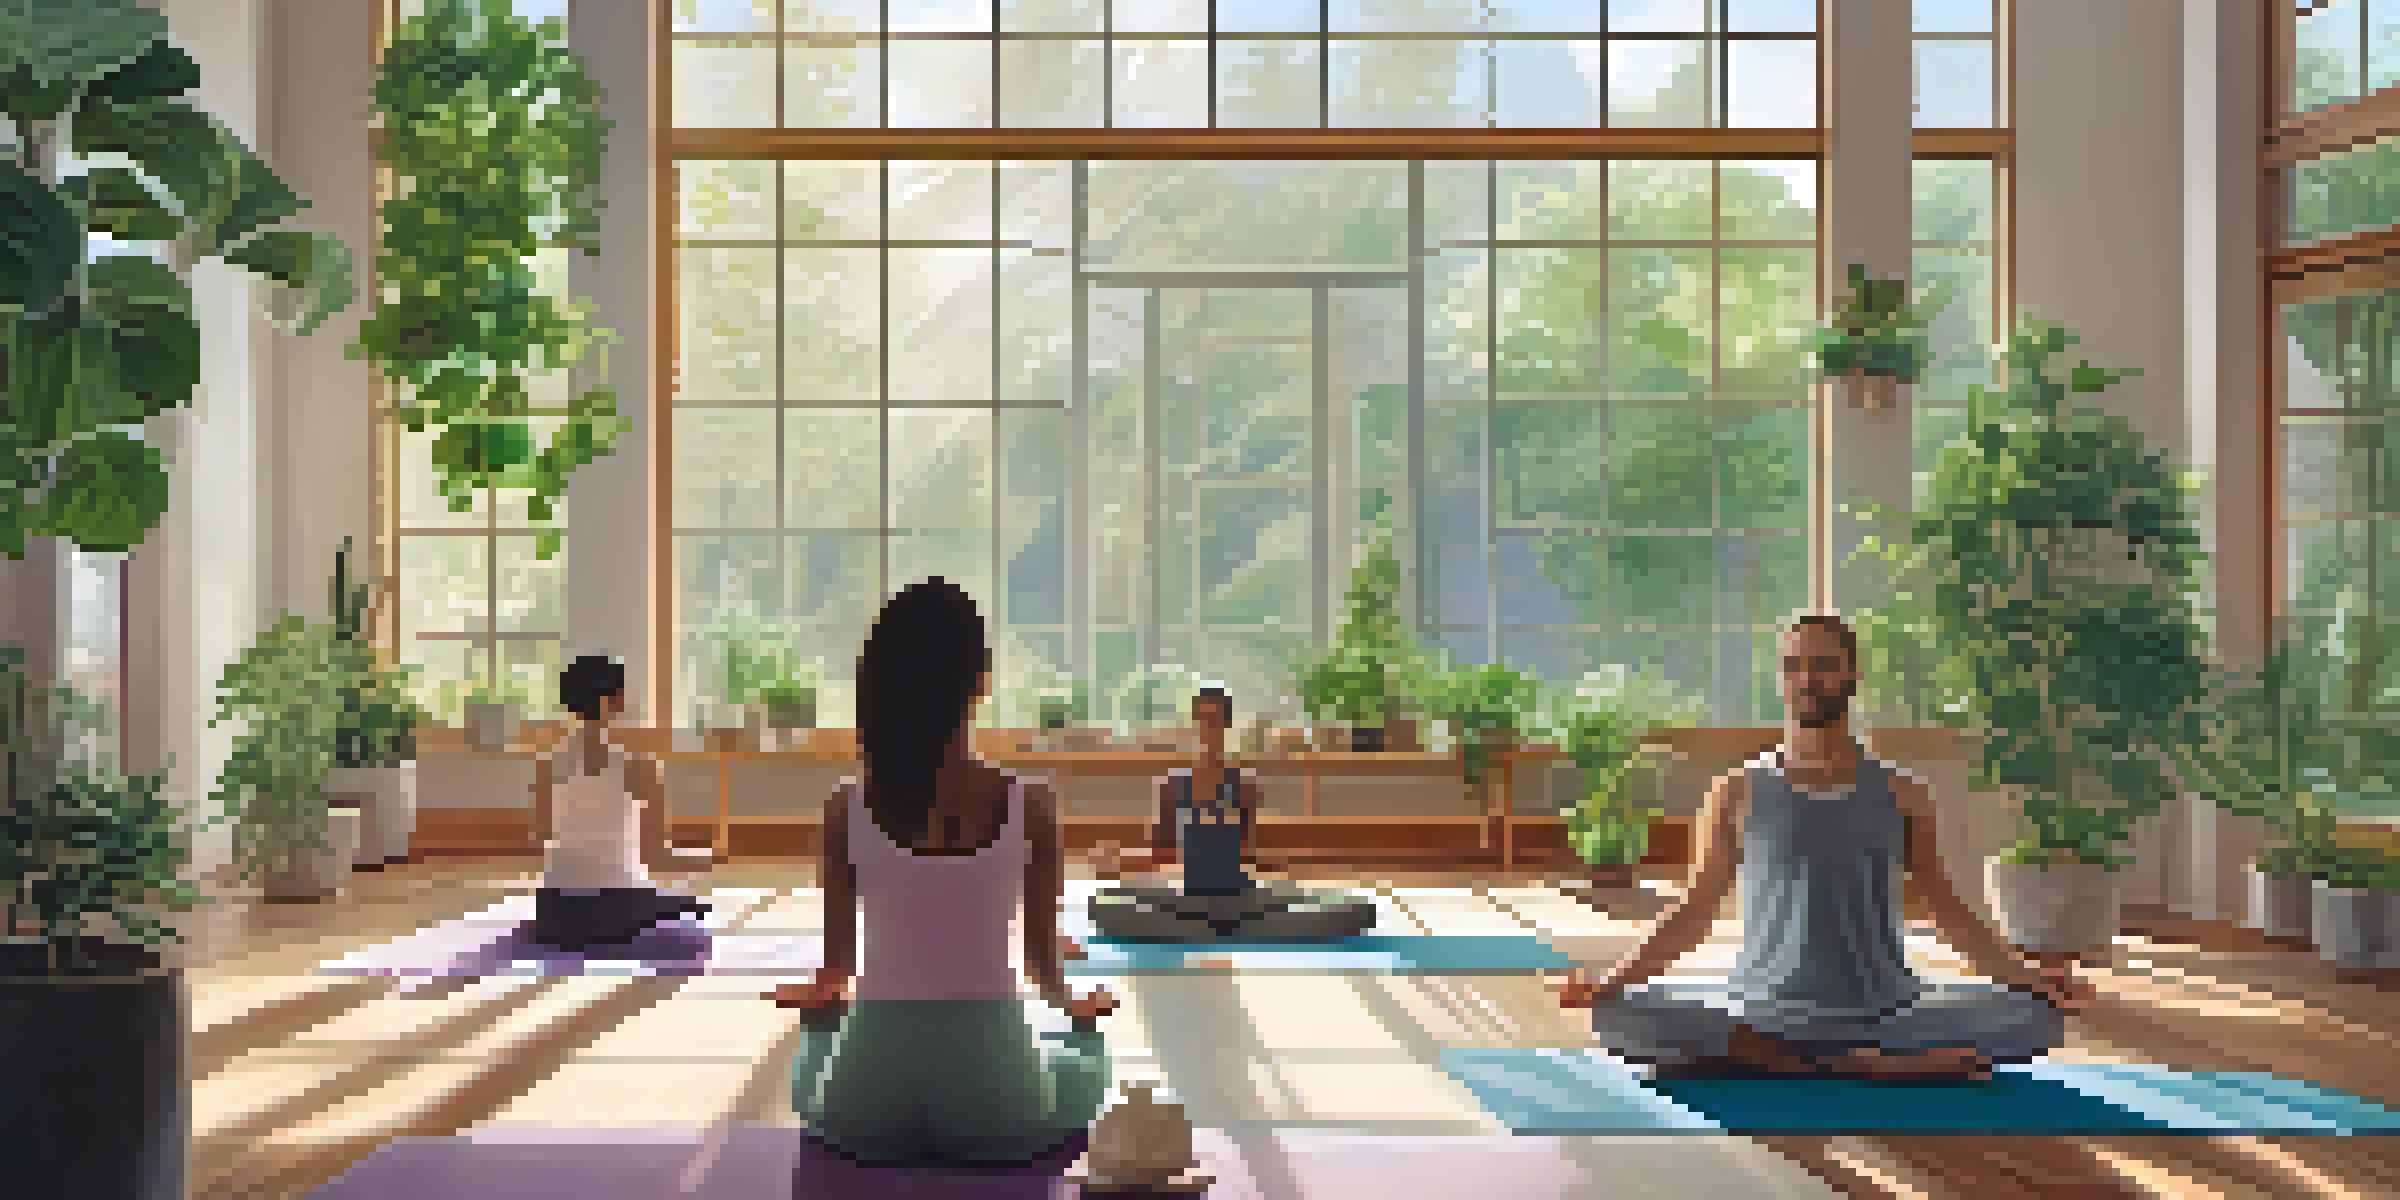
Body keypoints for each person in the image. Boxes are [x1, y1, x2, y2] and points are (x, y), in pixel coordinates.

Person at [1557, 613, 2094, 1081]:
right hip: (1762, 1007)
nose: (1806, 679)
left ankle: (1782, 1059)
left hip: (1884, 1006)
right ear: (1781, 680)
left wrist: (2026, 975)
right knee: (1617, 1013)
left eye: (1822, 664)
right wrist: (1615, 976)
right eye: (1792, 666)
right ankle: (1845, 1063)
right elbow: (1695, 910)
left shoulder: (1904, 792)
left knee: (2037, 1018)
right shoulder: (1737, 790)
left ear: (1853, 674)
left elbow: (1948, 909)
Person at [769, 578, 1119, 1165]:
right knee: (1081, 1071)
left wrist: (817, 1010)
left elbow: (836, 968)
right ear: (980, 681)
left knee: (812, 1086)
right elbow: (1042, 969)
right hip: (997, 1106)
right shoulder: (1032, 804)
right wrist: (1077, 1010)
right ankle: (1072, 1049)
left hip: (868, 1101)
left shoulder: (845, 806)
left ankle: (832, 1045)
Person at [1086, 687, 1377, 941]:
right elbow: (1159, 854)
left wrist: (1285, 866)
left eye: (1213, 721)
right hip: (1189, 898)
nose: (1206, 729)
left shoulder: (1244, 784)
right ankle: (1221, 930)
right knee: (1102, 905)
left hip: (1240, 897)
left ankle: (1206, 931)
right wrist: (1120, 859)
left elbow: (1246, 851)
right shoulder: (1170, 786)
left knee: (1356, 909)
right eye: (1201, 721)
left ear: (1225, 726)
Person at [527, 656, 711, 951]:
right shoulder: (641, 768)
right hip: (616, 910)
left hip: (554, 913)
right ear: (610, 701)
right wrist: (713, 857)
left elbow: (540, 838)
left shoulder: (546, 765)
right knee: (697, 912)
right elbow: (658, 858)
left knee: (667, 902)